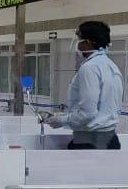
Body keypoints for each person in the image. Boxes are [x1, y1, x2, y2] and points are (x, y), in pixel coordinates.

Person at [45, 20, 124, 149]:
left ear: (88, 42)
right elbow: (105, 108)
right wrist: (65, 116)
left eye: (79, 38)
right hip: (111, 140)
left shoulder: (89, 68)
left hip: (90, 142)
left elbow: (88, 113)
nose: (77, 43)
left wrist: (61, 121)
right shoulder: (111, 66)